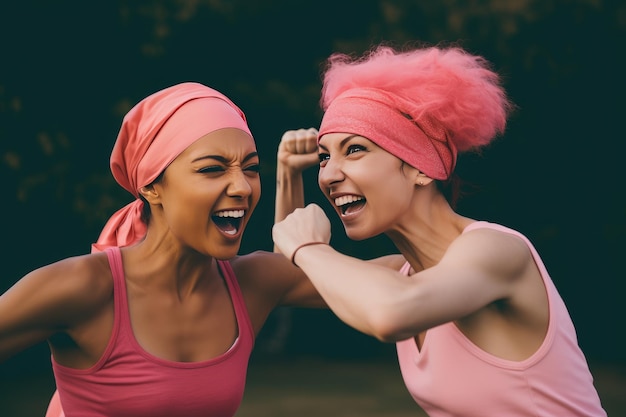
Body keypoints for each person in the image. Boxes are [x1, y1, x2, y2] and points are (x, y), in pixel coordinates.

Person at [273, 44, 608, 416]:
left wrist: (309, 247)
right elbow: (284, 279)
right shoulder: (401, 276)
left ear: (421, 167)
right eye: (324, 157)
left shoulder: (497, 252)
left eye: (354, 150)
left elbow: (391, 312)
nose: (329, 175)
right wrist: (288, 176)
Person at [0, 81, 331, 417]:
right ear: (152, 187)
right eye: (212, 169)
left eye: (251, 168)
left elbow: (374, 283)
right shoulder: (83, 287)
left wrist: (291, 175)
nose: (243, 186)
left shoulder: (252, 283)